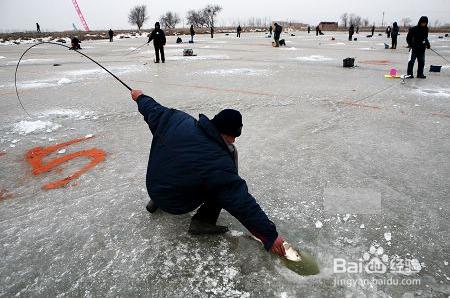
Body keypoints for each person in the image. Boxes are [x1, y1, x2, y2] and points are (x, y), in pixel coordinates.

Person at [130, 89, 287, 257]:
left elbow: (152, 108)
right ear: (227, 133)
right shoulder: (218, 163)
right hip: (174, 202)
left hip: (154, 185)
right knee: (220, 186)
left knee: (178, 161)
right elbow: (239, 201)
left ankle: (156, 201)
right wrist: (270, 236)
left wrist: (140, 97)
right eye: (233, 136)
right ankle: (202, 222)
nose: (233, 141)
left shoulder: (177, 120)